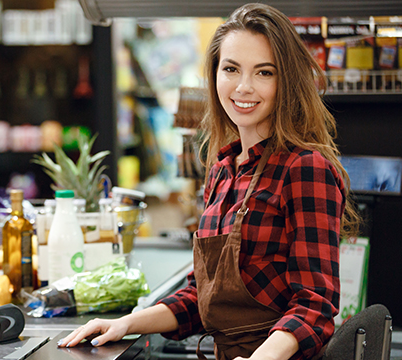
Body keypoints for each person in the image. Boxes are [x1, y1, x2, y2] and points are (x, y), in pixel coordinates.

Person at [57, 3, 360, 359]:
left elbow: (315, 305)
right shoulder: (222, 169)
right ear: (215, 74)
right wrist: (127, 322)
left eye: (264, 73)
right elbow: (199, 297)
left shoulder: (305, 168)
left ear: (287, 82)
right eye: (231, 69)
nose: (244, 87)